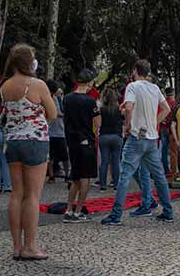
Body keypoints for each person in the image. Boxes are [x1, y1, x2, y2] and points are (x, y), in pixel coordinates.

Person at [0, 43, 57, 260]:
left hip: (12, 141)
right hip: (35, 141)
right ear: (28, 62)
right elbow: (52, 114)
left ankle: (16, 246)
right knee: (33, 195)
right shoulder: (37, 84)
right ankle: (30, 246)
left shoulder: (4, 85)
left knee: (17, 194)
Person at [101, 60, 174, 225]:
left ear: (135, 71)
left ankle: (116, 215)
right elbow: (167, 109)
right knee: (159, 176)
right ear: (147, 72)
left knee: (125, 175)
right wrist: (154, 122)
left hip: (137, 137)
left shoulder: (132, 87)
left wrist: (127, 125)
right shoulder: (154, 88)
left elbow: (128, 108)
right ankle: (168, 211)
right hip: (151, 138)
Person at [62, 69, 101, 223]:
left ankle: (68, 209)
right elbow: (98, 123)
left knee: (75, 177)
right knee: (85, 179)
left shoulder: (67, 99)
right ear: (89, 83)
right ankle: (78, 212)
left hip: (71, 141)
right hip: (86, 141)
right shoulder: (90, 101)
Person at [98, 88, 123, 191]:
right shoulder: (119, 109)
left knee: (104, 161)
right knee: (116, 161)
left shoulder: (101, 109)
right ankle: (116, 184)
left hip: (104, 136)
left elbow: (98, 123)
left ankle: (103, 185)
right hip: (116, 136)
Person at [46, 81, 68, 183]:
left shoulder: (61, 100)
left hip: (60, 131)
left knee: (64, 156)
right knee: (51, 156)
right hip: (50, 131)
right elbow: (55, 113)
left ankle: (67, 174)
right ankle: (51, 176)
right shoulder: (48, 99)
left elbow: (63, 111)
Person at [159, 87, 176, 175]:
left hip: (163, 127)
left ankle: (166, 169)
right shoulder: (174, 103)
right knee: (173, 150)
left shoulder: (162, 103)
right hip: (171, 128)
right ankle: (174, 171)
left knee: (164, 149)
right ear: (173, 93)